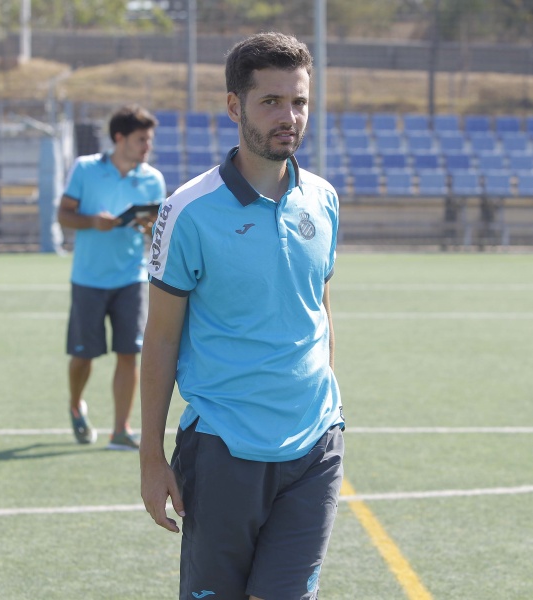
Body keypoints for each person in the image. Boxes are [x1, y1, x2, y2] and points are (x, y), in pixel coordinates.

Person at [140, 32, 344, 599]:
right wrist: (151, 457)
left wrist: (328, 403)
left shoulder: (323, 199)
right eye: (271, 101)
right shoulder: (188, 210)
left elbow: (319, 306)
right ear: (235, 106)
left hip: (315, 445)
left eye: (299, 101)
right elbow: (160, 339)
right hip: (223, 449)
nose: (289, 117)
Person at [58, 104, 166, 450]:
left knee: (128, 352)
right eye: (141, 139)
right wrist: (92, 221)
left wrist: (149, 227)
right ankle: (76, 404)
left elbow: (158, 229)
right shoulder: (85, 168)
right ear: (119, 138)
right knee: (83, 356)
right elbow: (63, 215)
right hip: (88, 277)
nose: (147, 146)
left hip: (131, 277)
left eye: (149, 140)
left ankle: (120, 430)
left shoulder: (153, 179)